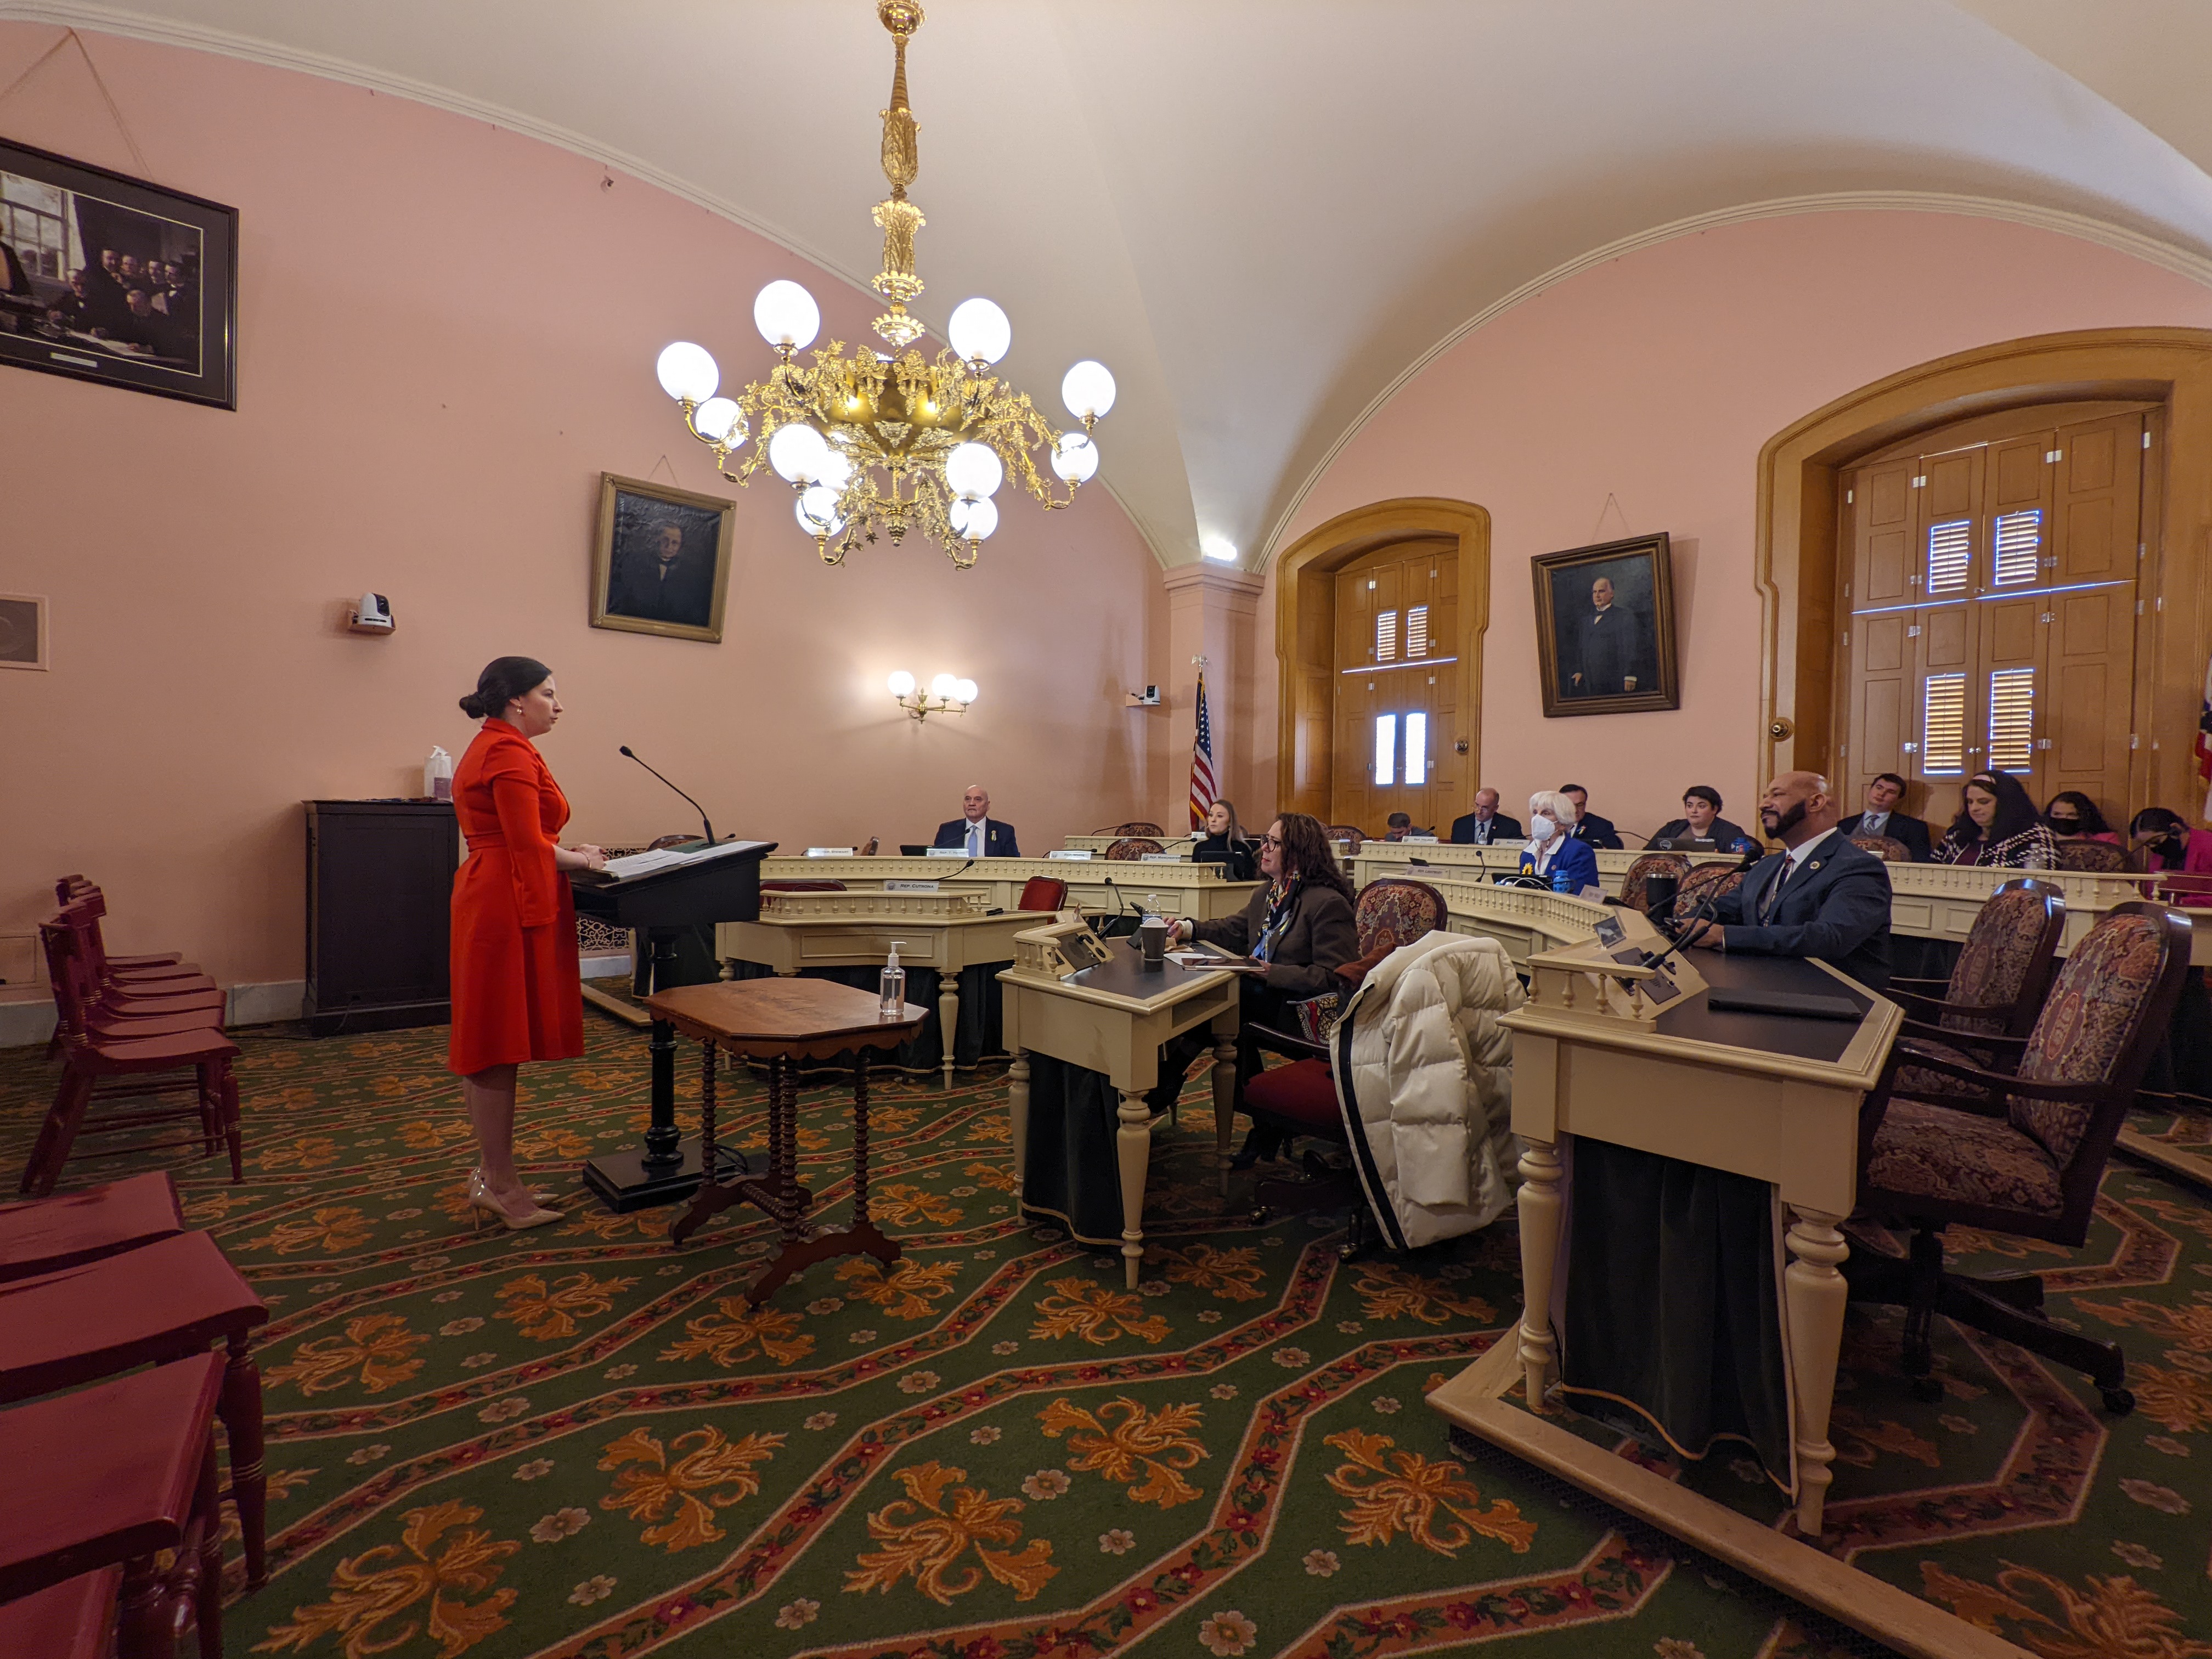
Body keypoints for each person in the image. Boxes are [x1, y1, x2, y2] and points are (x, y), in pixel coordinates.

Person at [448, 656, 607, 1229]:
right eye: (548, 693)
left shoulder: (496, 744)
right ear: (517, 700)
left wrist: (568, 852)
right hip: (503, 900)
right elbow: (526, 846)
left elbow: (530, 838)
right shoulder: (508, 751)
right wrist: (583, 860)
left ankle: (495, 1175)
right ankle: (501, 1185)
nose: (557, 705)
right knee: (495, 1044)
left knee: (491, 1041)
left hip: (492, 891)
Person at [1159, 812, 1359, 1152]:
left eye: (1273, 843)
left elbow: (1334, 977)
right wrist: (1187, 927)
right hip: (1263, 998)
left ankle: (1166, 1080)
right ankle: (1265, 1123)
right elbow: (1233, 929)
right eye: (1265, 841)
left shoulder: (1326, 903)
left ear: (1298, 852)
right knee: (1230, 1011)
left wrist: (1272, 973)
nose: (1263, 849)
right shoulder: (1269, 893)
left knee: (1227, 1000)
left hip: (1306, 1011)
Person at [1685, 770, 1891, 989]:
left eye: (1776, 795)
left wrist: (1724, 936)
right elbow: (1723, 910)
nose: (1764, 804)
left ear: (1816, 802)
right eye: (1764, 797)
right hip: (1758, 986)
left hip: (1831, 997)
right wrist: (1684, 926)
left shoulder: (1858, 866)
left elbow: (1829, 937)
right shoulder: (1766, 865)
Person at [1936, 771, 2057, 869]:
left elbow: (2040, 885)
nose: (1974, 809)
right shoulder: (1957, 835)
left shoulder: (2035, 836)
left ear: (2005, 803)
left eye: (1984, 802)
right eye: (1970, 802)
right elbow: (1929, 871)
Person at [607, 520, 715, 627]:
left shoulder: (689, 572)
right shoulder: (634, 563)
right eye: (665, 540)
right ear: (656, 539)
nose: (669, 547)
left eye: (675, 543)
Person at [1562, 574, 1651, 698]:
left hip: (1615, 680)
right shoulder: (1586, 620)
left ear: (1612, 594)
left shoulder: (1624, 617)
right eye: (1594, 592)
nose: (1597, 596)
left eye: (1602, 591)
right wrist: (1579, 671)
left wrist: (1630, 675)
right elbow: (1581, 649)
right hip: (1590, 682)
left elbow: (1632, 648)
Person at [1519, 790, 1601, 893]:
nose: (1537, 818)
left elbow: (1581, 896)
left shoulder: (1579, 852)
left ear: (1563, 822)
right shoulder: (1528, 854)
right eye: (1535, 813)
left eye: (1546, 813)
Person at [1837, 772, 1933, 861]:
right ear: (1870, 790)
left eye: (1890, 792)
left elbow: (1921, 864)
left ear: (1898, 799)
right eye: (1879, 788)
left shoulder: (1915, 828)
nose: (1882, 794)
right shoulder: (1844, 825)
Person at [1651, 786, 1752, 851]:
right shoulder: (1672, 828)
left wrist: (1720, 860)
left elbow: (1742, 860)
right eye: (1689, 806)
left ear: (1715, 809)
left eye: (1701, 806)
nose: (1694, 811)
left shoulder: (1730, 832)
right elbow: (1646, 854)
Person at [932, 784, 1019, 856]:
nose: (971, 803)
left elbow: (1012, 864)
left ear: (988, 805)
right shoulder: (947, 831)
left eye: (978, 799)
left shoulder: (1005, 832)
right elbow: (935, 863)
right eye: (968, 799)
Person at [2129, 807, 2212, 875]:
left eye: (2156, 841)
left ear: (2176, 829)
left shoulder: (2208, 845)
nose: (2153, 847)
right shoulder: (2160, 855)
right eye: (2147, 845)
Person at [1192, 798, 1260, 882]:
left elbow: (1249, 881)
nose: (1213, 820)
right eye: (1211, 815)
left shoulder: (1242, 848)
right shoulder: (1199, 848)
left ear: (1230, 822)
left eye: (1220, 816)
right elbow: (1194, 879)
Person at [1449, 787, 1522, 845]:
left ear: (1495, 808)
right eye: (1477, 806)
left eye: (1485, 808)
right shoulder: (1460, 825)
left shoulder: (1510, 827)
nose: (1479, 811)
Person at [2045, 791, 2121, 845]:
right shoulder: (2041, 837)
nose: (2064, 818)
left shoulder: (2107, 839)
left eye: (2072, 815)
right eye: (2057, 814)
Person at [1559, 784, 1623, 849]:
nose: (1575, 810)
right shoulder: (1551, 823)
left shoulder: (1601, 826)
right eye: (1570, 805)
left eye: (1580, 805)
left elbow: (1613, 855)